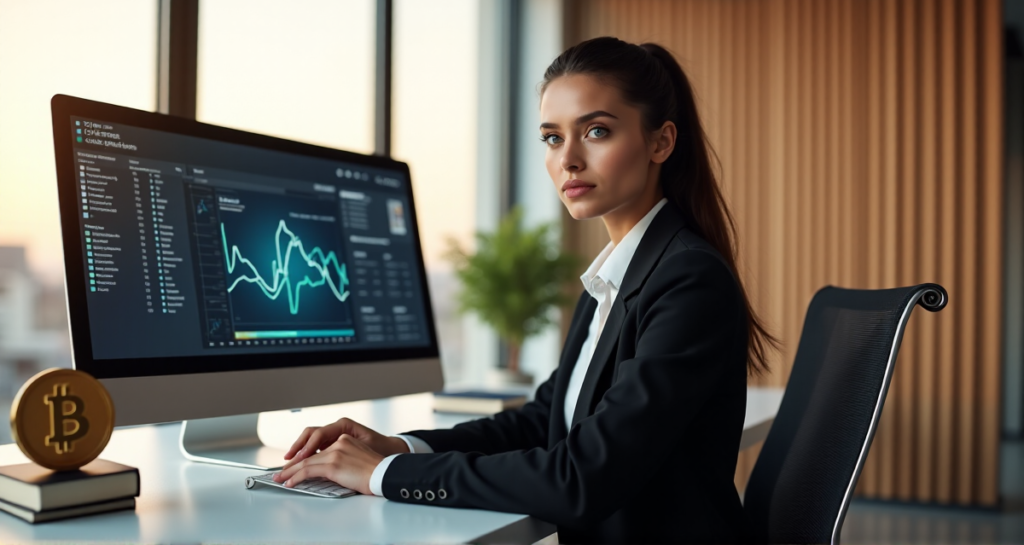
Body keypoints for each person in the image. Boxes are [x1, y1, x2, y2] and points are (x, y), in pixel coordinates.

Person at [273, 36, 778, 544]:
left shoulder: (689, 280)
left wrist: (381, 477)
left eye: (596, 131)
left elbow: (582, 478)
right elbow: (545, 420)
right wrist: (400, 449)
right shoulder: (615, 276)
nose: (569, 160)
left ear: (660, 142)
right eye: (552, 138)